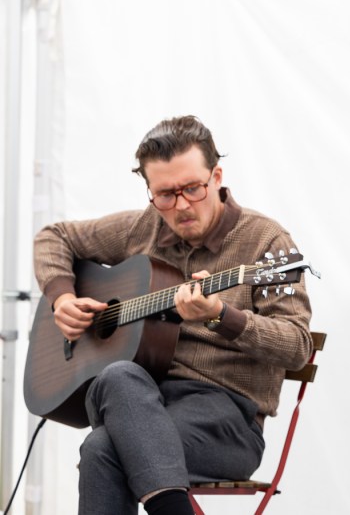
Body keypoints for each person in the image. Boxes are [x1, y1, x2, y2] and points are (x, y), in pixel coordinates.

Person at [33, 115, 313, 515]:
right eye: (165, 195)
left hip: (228, 424)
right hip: (139, 402)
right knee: (119, 377)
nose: (181, 205)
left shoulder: (266, 242)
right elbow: (53, 237)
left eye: (193, 189)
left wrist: (219, 315)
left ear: (216, 176)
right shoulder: (141, 229)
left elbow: (296, 347)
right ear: (149, 191)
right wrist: (62, 298)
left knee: (101, 449)